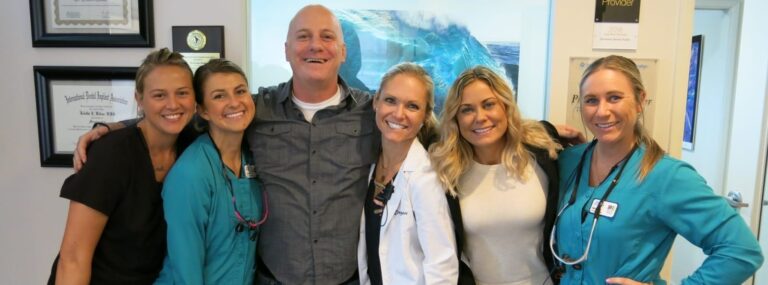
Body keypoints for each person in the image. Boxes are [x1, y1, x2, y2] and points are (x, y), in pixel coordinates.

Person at [551, 55, 763, 284]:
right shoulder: (569, 161)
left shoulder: (666, 176)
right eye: (591, 100)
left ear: (640, 101)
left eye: (614, 98)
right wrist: (544, 130)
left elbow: (742, 250)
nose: (602, 111)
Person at [49, 48, 196, 284]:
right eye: (159, 95)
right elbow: (74, 258)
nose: (173, 104)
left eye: (182, 93)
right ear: (139, 99)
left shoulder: (192, 145)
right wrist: (108, 130)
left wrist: (111, 125)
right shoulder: (111, 154)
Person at [430, 66, 563, 285]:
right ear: (456, 118)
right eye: (466, 110)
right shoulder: (446, 169)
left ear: (506, 106)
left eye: (489, 104)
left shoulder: (542, 152)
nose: (480, 117)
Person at [154, 59, 265, 284]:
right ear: (202, 110)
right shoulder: (191, 173)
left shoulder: (253, 158)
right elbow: (186, 270)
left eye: (240, 91)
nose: (234, 102)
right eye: (219, 96)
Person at [357, 63, 457, 285]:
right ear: (376, 102)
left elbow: (442, 267)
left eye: (412, 106)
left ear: (425, 115)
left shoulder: (426, 179)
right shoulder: (370, 166)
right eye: (390, 100)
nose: (398, 114)